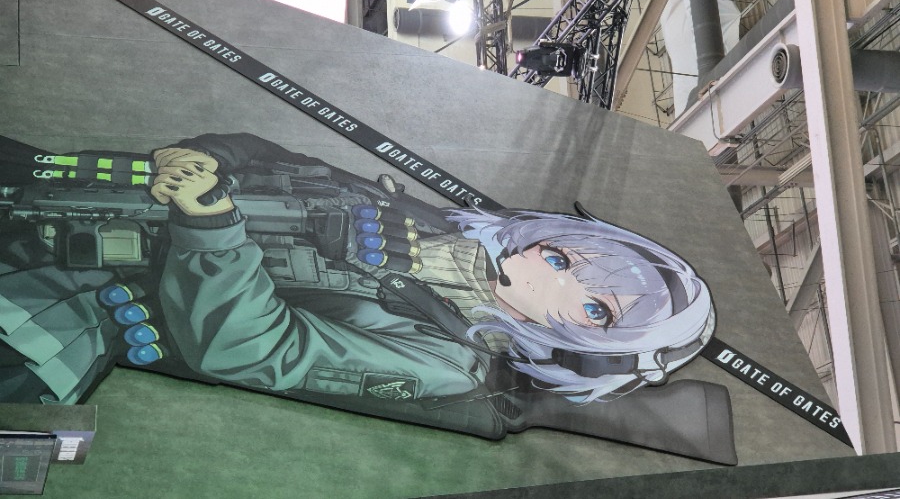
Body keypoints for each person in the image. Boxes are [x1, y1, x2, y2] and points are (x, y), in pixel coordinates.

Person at [0, 133, 736, 464]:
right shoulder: (426, 225)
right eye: (569, 257)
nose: (561, 279)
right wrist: (209, 158)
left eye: (597, 309)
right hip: (60, 198)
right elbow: (280, 159)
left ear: (591, 351)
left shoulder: (449, 363)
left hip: (68, 309)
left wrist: (210, 225)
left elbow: (254, 348)